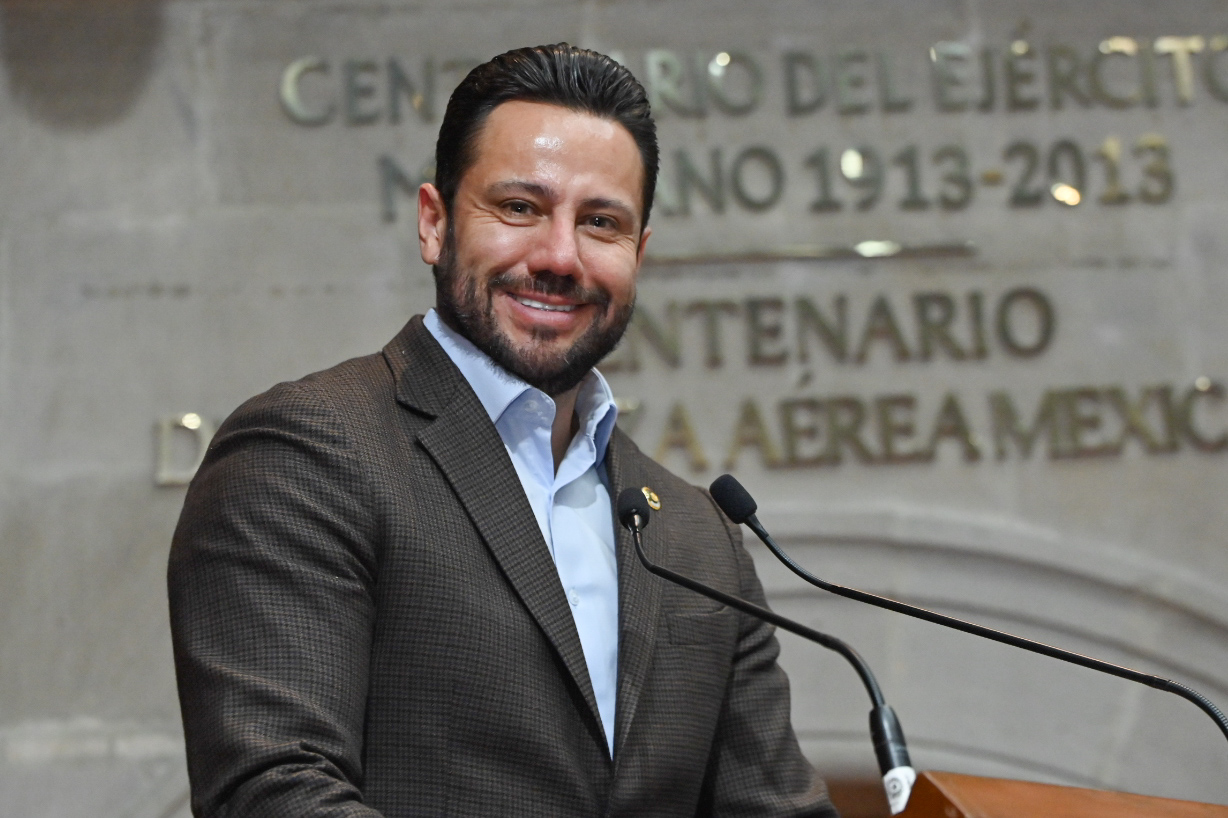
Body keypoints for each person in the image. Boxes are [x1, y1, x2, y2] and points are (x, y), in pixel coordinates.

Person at [168, 43, 838, 817]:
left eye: (601, 222)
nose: (560, 256)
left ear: (640, 253)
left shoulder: (696, 535)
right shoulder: (307, 454)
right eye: (520, 208)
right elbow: (276, 789)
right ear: (434, 223)